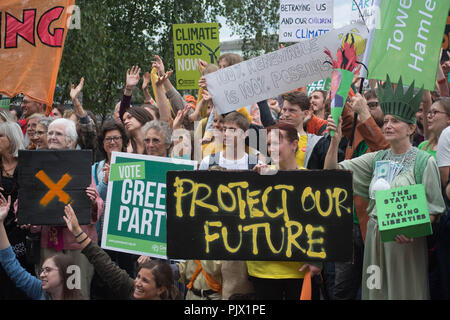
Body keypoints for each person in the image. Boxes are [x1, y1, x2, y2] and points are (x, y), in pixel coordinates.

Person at [324, 77, 446, 300]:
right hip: (375, 240)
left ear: (411, 128)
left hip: (405, 245)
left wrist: (411, 229)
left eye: (396, 121)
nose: (388, 125)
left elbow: (434, 210)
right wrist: (335, 141)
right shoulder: (377, 158)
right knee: (375, 289)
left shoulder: (423, 161)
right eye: (386, 120)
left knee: (404, 292)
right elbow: (332, 172)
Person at [31, 118, 104, 299]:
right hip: (48, 242)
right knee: (49, 292)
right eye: (50, 133)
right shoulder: (36, 163)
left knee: (75, 292)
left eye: (58, 133)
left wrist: (93, 201)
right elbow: (29, 197)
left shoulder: (80, 165)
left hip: (76, 245)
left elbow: (98, 204)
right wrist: (26, 216)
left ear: (70, 141)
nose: (52, 137)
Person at [249, 122, 322, 300]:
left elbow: (319, 221)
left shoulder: (310, 180)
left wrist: (317, 260)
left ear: (294, 144)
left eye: (276, 143)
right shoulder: (260, 175)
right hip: (263, 270)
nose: (271, 148)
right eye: (268, 144)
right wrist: (255, 182)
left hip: (299, 270)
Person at [332, 92, 389, 300]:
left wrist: (364, 112)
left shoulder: (389, 135)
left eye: (374, 104)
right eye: (366, 104)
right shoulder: (357, 130)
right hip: (347, 223)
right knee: (341, 289)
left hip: (373, 227)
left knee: (373, 289)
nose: (368, 108)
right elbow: (345, 114)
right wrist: (338, 77)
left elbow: (384, 149)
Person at [63, 204, 180, 300]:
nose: (138, 283)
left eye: (145, 280)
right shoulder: (130, 288)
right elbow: (103, 263)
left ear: (160, 289)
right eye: (138, 277)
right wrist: (77, 231)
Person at [0, 194, 84, 300]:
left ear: (64, 275)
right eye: (42, 271)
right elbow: (10, 264)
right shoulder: (39, 290)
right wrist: (0, 222)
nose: (42, 275)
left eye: (48, 270)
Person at [0, 121, 35, 299]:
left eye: (0, 136)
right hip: (0, 227)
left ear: (12, 140)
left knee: (19, 277)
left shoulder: (26, 165)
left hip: (20, 230)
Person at [418, 97, 450, 162]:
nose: (429, 116)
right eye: (429, 112)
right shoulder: (423, 146)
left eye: (435, 112)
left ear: (449, 119)